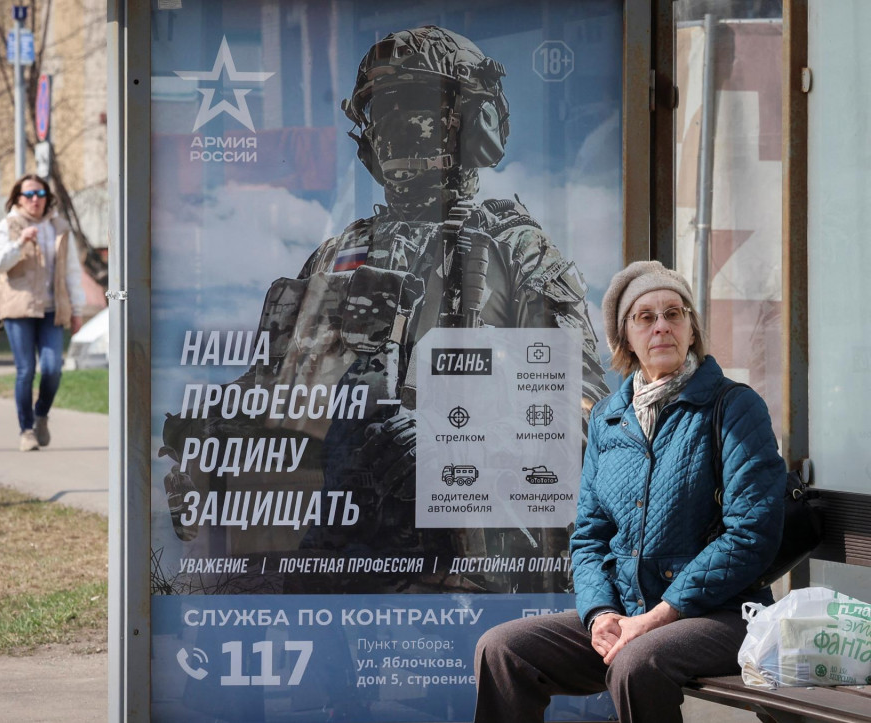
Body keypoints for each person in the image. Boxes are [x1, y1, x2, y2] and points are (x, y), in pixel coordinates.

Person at [160, 26, 609, 594]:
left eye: (419, 105)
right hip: (337, 553)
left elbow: (582, 403)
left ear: (473, 122)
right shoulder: (341, 252)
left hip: (470, 557)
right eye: (383, 110)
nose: (397, 125)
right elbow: (277, 385)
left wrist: (452, 440)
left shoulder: (514, 247)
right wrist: (211, 438)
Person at [473, 260, 787, 723]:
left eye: (674, 313)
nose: (661, 326)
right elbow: (589, 536)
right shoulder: (608, 417)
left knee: (636, 663)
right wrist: (600, 614)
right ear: (625, 338)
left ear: (691, 329)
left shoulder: (734, 407)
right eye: (645, 317)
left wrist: (661, 614)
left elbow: (751, 534)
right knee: (502, 649)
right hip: (627, 615)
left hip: (720, 614)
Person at [0, 174, 85, 452]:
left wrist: (76, 311)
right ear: (18, 198)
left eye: (40, 194)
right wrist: (19, 243)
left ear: (47, 198)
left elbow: (72, 272)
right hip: (19, 309)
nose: (35, 200)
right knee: (26, 370)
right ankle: (26, 430)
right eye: (28, 195)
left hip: (52, 309)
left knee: (53, 368)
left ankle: (41, 413)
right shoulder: (8, 226)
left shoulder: (60, 227)